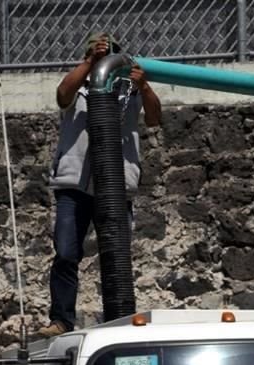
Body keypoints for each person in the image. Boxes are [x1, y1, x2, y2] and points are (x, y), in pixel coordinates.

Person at [40, 32, 162, 337]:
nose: (107, 62)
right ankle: (61, 320)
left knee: (116, 256)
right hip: (74, 186)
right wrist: (89, 63)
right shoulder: (79, 88)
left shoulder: (130, 91)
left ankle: (117, 320)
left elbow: (155, 119)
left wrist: (144, 85)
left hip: (117, 186)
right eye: (101, 56)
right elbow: (61, 95)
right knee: (66, 252)